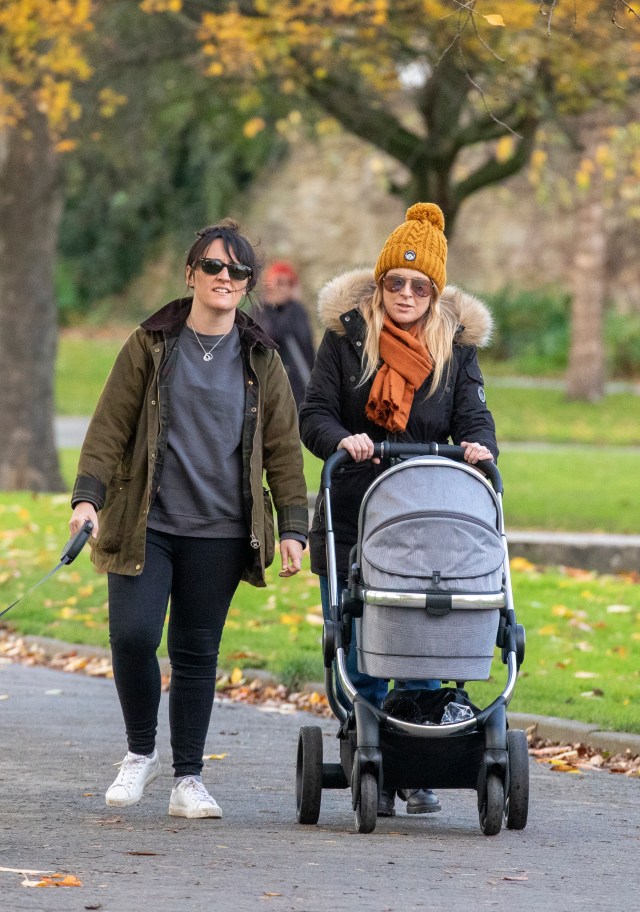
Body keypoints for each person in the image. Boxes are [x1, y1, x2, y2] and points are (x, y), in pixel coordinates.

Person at [69, 219, 309, 820]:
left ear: (248, 284)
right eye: (213, 267)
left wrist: (293, 528)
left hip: (222, 530)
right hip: (145, 520)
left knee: (197, 652)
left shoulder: (262, 359)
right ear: (191, 274)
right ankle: (139, 752)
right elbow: (109, 428)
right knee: (132, 637)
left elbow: (283, 450)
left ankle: (189, 779)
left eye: (236, 271)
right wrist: (87, 498)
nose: (224, 278)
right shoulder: (150, 345)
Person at [299, 203, 498, 818]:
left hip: (434, 518)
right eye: (395, 282)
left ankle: (418, 759)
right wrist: (343, 440)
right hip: (360, 510)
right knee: (367, 630)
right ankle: (372, 749)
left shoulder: (456, 351)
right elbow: (315, 416)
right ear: (379, 285)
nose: (405, 293)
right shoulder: (346, 340)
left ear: (435, 293)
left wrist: (477, 446)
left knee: (425, 630)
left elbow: (476, 418)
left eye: (419, 285)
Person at [252, 260, 316, 406]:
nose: (284, 288)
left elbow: (306, 345)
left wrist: (291, 305)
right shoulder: (260, 310)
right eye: (279, 282)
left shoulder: (297, 310)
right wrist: (275, 305)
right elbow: (269, 337)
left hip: (301, 386)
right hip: (272, 387)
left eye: (289, 283)